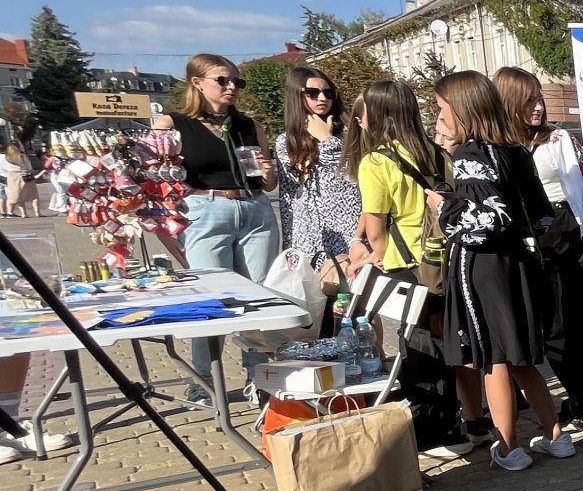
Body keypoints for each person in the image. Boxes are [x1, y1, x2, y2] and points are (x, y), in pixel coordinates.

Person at [433, 71, 569, 472]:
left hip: (484, 268)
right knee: (522, 355)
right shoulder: (513, 151)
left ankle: (509, 447)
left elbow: (487, 220)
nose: (438, 117)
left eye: (442, 109)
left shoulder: (472, 157)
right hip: (519, 265)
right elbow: (542, 214)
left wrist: (443, 209)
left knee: (493, 358)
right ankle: (556, 436)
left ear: (461, 109)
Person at [344, 79, 471, 459]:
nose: (359, 119)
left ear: (377, 115)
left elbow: (375, 222)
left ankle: (436, 430)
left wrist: (372, 254)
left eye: (363, 111)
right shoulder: (436, 153)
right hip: (443, 259)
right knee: (439, 339)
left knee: (416, 348)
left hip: (408, 265)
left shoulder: (376, 161)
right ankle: (454, 420)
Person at [495, 67, 583, 436]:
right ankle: (575, 400)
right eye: (529, 100)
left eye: (540, 99)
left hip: (567, 238)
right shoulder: (502, 146)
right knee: (549, 332)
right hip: (528, 245)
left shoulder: (560, 139)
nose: (538, 108)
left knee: (576, 331)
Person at [168, 54, 279, 388]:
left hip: (254, 208)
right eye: (223, 80)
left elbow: (268, 183)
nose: (232, 87)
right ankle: (203, 381)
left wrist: (270, 172)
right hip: (206, 209)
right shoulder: (173, 125)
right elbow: (157, 181)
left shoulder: (248, 125)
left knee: (259, 296)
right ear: (197, 83)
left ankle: (259, 377)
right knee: (211, 298)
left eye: (236, 81)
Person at [274, 63, 361, 292]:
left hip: (349, 226)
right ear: (297, 96)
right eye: (312, 93)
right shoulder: (287, 141)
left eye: (328, 93)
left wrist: (327, 141)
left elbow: (354, 177)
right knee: (316, 301)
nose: (322, 98)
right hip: (308, 234)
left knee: (355, 298)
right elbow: (290, 192)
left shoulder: (349, 133)